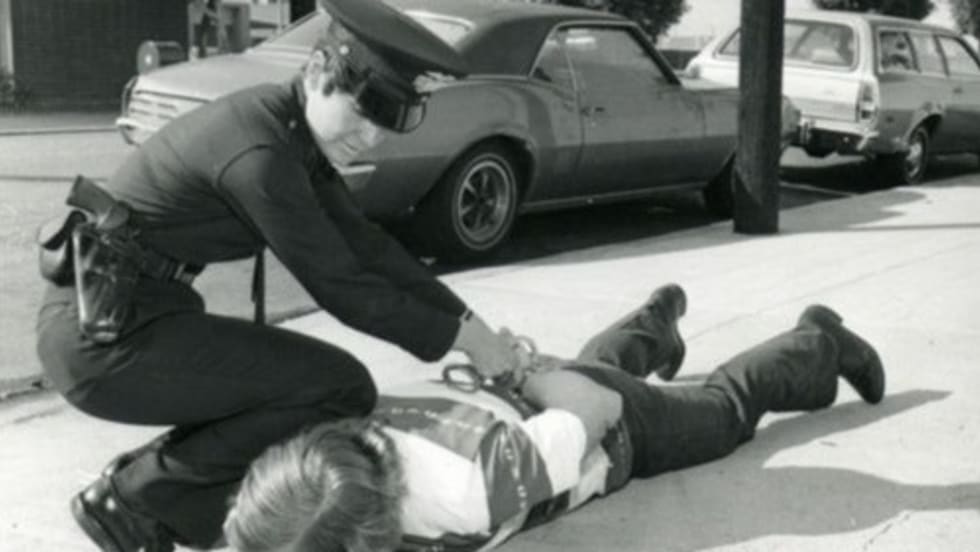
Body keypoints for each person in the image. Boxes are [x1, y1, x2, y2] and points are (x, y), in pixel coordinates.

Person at [35, 0, 524, 550]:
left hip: (134, 317)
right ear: (316, 71)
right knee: (335, 387)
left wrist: (469, 324)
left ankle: (146, 499)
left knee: (307, 380)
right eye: (361, 112)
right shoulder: (263, 150)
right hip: (102, 340)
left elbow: (370, 249)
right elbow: (341, 284)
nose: (368, 138)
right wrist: (461, 339)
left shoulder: (290, 131)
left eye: (385, 124)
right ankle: (134, 499)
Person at [223, 283, 886, 552]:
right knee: (586, 372)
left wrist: (528, 374)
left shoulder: (474, 491)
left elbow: (599, 408)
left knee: (723, 411)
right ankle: (650, 326)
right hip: (536, 402)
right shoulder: (337, 436)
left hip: (613, 426)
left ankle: (818, 341)